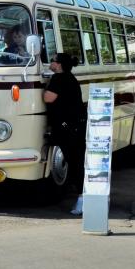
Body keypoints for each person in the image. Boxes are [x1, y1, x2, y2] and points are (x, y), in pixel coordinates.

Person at [44, 52, 84, 193]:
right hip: (73, 125)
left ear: (58, 64)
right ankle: (80, 192)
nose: (50, 62)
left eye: (52, 60)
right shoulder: (70, 78)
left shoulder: (58, 78)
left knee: (73, 160)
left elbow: (48, 98)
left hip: (66, 126)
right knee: (75, 160)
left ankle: (81, 195)